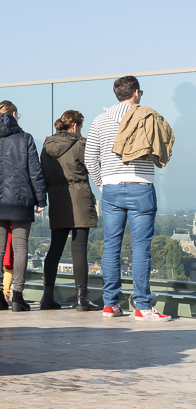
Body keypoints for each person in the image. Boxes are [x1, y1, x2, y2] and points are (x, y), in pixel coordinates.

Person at [85, 76, 172, 321]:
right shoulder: (148, 117)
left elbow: (90, 158)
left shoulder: (99, 121)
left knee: (111, 246)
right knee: (141, 249)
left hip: (111, 189)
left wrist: (103, 184)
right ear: (135, 93)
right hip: (141, 187)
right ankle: (143, 306)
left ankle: (110, 304)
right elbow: (163, 149)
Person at [0, 100, 46, 312]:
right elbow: (35, 172)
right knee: (20, 247)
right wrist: (41, 199)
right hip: (21, 199)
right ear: (13, 114)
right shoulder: (26, 138)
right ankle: (18, 297)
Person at [40, 110, 100, 311]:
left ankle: (47, 296)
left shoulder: (47, 147)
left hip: (56, 199)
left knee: (54, 249)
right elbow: (93, 166)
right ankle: (82, 299)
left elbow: (43, 175)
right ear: (75, 126)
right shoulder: (80, 144)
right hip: (80, 199)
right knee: (79, 250)